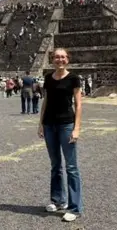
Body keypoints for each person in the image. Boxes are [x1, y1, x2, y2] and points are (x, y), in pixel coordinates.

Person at [38, 48, 83, 222]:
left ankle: (75, 207)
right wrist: (40, 124)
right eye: (57, 57)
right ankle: (58, 200)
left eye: (63, 57)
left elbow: (78, 105)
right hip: (49, 124)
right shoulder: (48, 78)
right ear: (52, 59)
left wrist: (76, 128)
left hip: (66, 124)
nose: (60, 59)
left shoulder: (74, 78)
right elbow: (46, 101)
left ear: (68, 59)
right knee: (55, 165)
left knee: (71, 167)